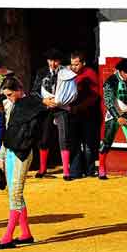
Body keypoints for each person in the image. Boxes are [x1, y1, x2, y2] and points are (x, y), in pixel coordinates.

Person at [0, 77, 42, 250]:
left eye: (11, 94)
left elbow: (44, 105)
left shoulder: (31, 104)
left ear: (19, 90)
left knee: (16, 194)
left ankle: (7, 237)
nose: (10, 98)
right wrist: (1, 159)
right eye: (7, 95)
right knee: (14, 193)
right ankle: (25, 233)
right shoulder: (9, 105)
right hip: (11, 152)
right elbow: (7, 133)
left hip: (22, 153)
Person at [31, 48, 77, 180]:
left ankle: (66, 171)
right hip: (46, 107)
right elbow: (34, 91)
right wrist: (44, 100)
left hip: (61, 108)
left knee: (64, 137)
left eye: (55, 61)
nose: (53, 63)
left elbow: (72, 93)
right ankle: (42, 168)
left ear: (60, 61)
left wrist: (60, 101)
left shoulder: (66, 73)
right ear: (47, 60)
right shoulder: (41, 72)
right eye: (50, 60)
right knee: (44, 138)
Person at [68, 51, 101, 179]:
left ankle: (89, 170)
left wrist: (80, 107)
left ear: (83, 63)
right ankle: (76, 171)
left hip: (88, 114)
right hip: (73, 114)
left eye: (76, 64)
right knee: (74, 143)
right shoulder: (69, 74)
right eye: (72, 64)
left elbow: (94, 95)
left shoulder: (90, 74)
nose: (74, 67)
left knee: (88, 144)